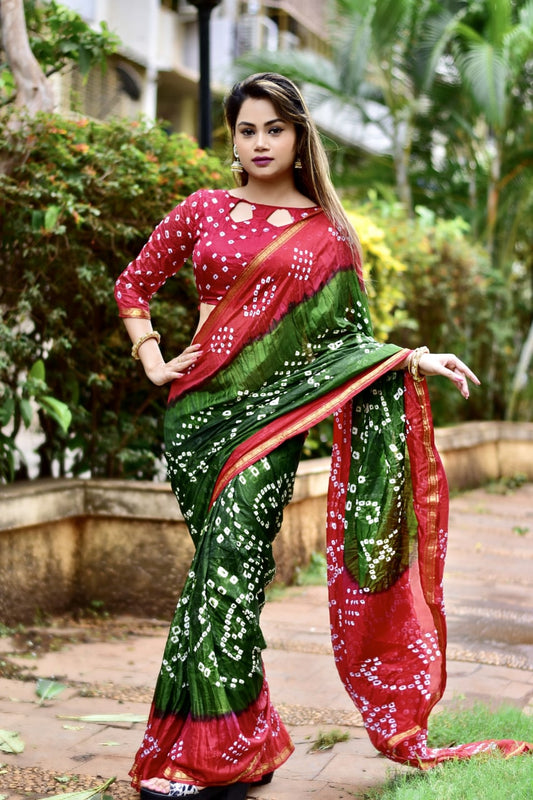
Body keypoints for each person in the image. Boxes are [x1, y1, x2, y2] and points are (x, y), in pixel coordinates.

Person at [114, 73, 531, 799]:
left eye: (273, 129)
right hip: (196, 420)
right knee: (224, 579)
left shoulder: (327, 234)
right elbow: (134, 284)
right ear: (233, 141)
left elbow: (345, 345)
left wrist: (410, 359)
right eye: (246, 130)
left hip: (271, 428)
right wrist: (152, 359)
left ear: (299, 135)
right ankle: (246, 739)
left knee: (225, 575)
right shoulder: (203, 207)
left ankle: (201, 757)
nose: (259, 143)